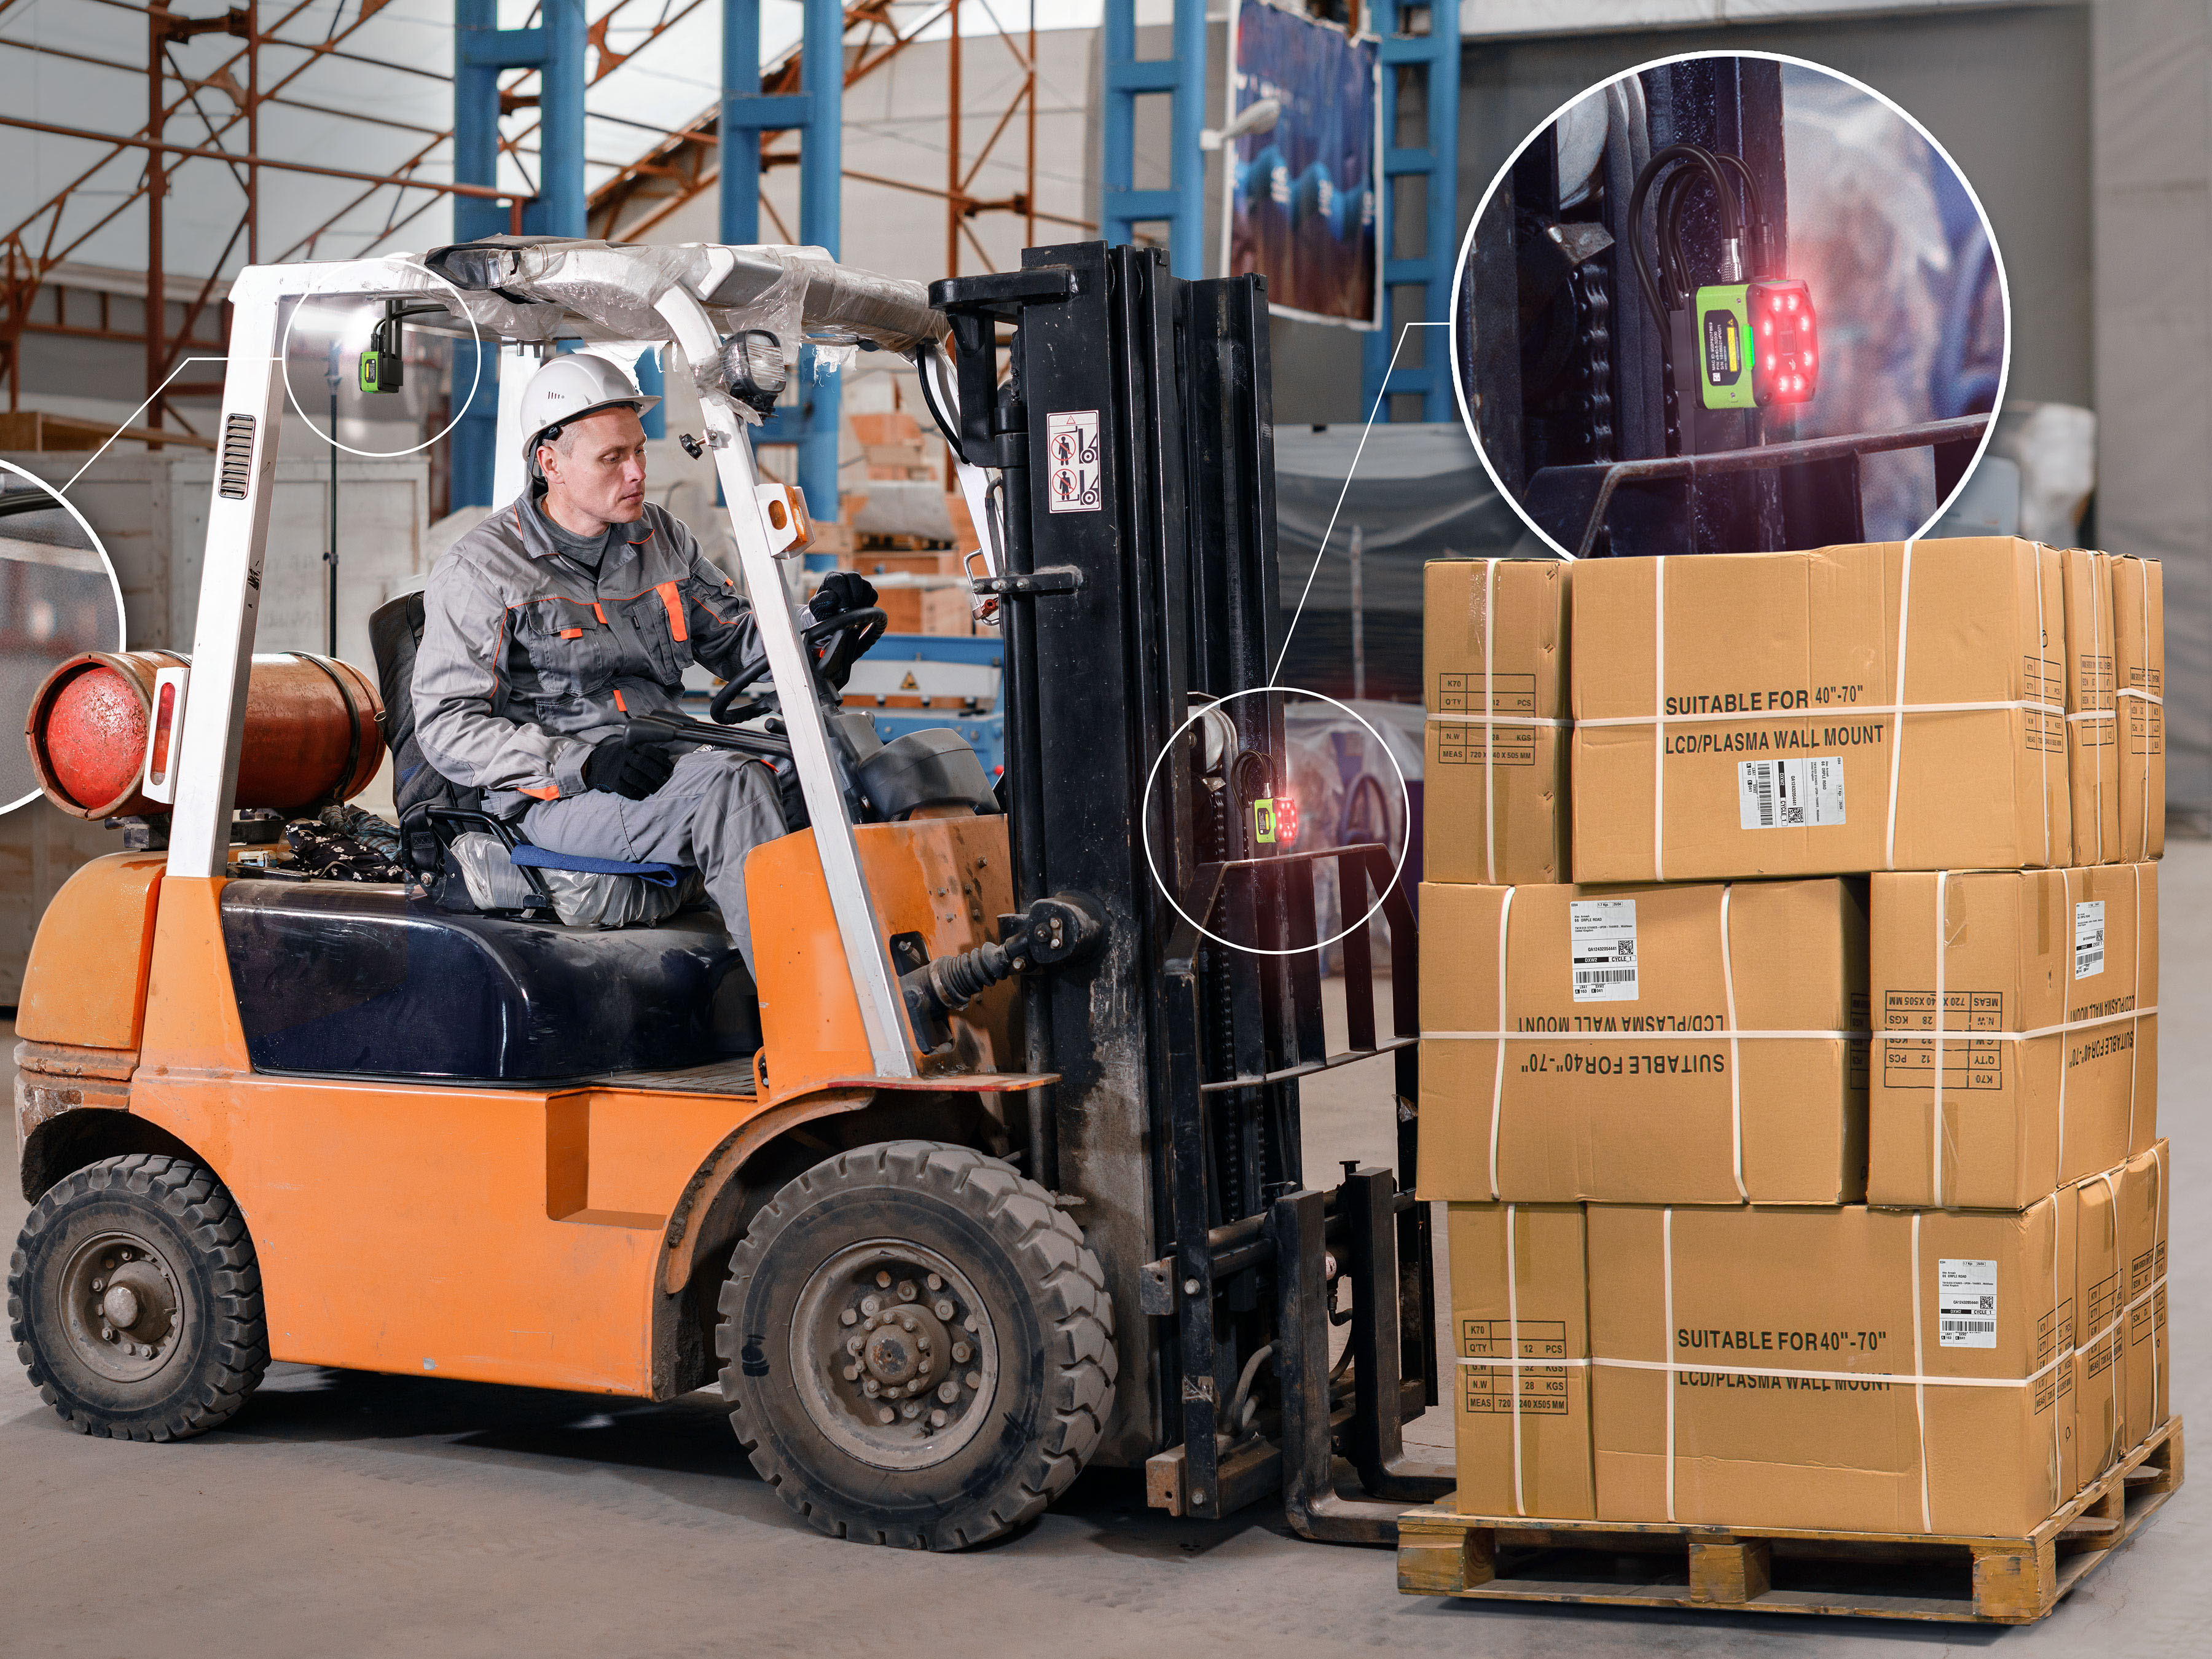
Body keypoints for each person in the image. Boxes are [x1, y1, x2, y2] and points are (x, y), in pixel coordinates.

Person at [411, 352, 876, 969]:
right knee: (733, 787)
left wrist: (818, 626)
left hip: (664, 757)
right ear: (550, 463)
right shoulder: (483, 570)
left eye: (640, 451)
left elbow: (738, 640)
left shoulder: (660, 538)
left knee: (827, 760)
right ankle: (808, 1010)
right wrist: (583, 763)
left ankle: (876, 978)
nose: (636, 473)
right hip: (556, 799)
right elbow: (449, 728)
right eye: (612, 458)